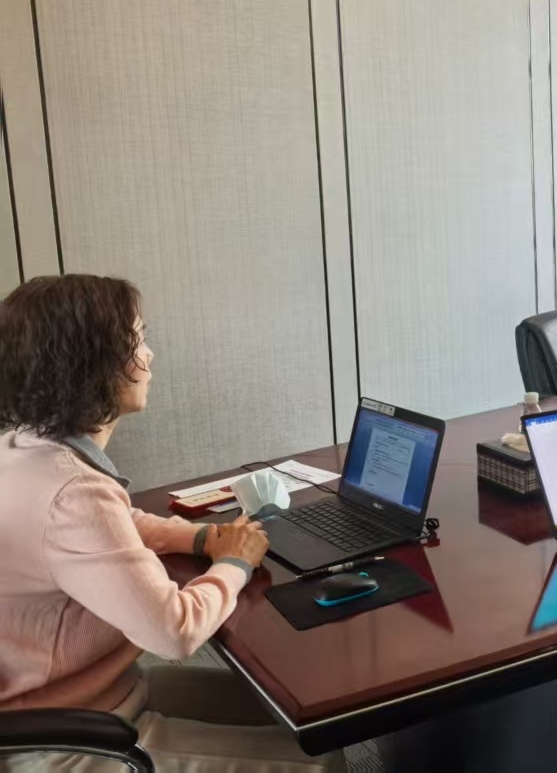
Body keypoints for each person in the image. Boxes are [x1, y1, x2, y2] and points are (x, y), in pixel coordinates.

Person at [0, 274, 340, 770]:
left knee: (306, 719)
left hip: (83, 697)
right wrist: (234, 564)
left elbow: (116, 524)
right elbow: (175, 632)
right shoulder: (74, 492)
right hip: (67, 740)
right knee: (318, 761)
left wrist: (203, 538)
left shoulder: (22, 446)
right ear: (92, 365)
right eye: (137, 341)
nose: (149, 355)